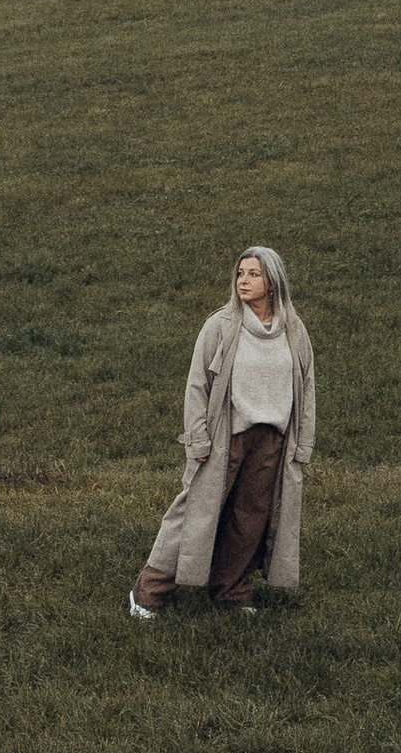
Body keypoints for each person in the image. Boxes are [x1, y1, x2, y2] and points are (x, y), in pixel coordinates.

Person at [128, 246, 315, 621]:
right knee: (194, 511)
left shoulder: (294, 330)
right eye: (240, 274)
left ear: (273, 282)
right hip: (226, 435)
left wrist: (303, 443)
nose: (243, 281)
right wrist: (197, 438)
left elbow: (306, 387)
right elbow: (198, 385)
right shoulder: (222, 326)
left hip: (272, 440)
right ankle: (148, 592)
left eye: (253, 274)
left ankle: (231, 591)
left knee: (250, 518)